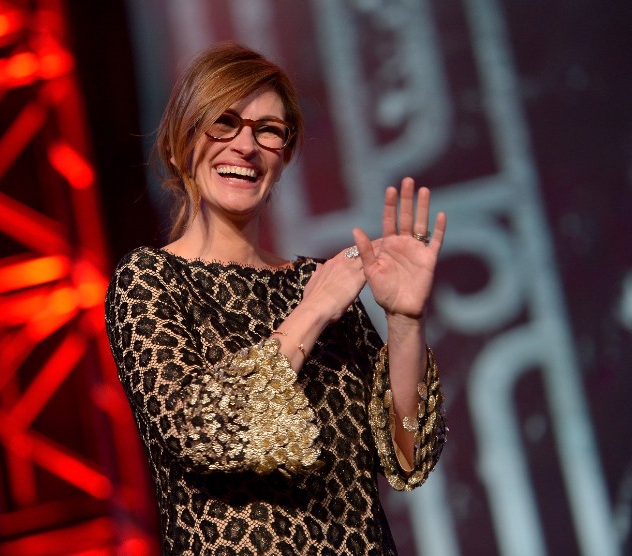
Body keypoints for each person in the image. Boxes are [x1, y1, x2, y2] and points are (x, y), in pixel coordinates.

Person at [105, 41, 447, 555]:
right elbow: (198, 430)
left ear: (283, 157)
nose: (245, 145)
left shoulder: (318, 280)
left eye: (267, 130)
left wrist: (404, 319)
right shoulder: (151, 281)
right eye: (224, 123)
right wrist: (312, 312)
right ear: (179, 144)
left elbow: (407, 456)